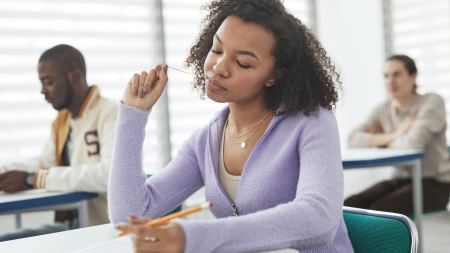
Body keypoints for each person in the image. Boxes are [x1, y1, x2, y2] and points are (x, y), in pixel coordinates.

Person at [108, 1, 353, 252]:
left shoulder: (312, 122)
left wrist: (196, 237)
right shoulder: (204, 142)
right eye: (216, 49)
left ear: (274, 75)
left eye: (243, 63)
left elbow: (319, 219)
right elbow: (129, 217)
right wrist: (133, 115)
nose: (219, 67)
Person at [0, 44, 117, 229]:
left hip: (104, 225)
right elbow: (45, 162)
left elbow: (110, 174)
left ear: (74, 75)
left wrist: (33, 179)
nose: (43, 90)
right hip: (74, 222)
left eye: (48, 82)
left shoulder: (110, 112)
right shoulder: (62, 122)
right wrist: (5, 171)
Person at [346, 54, 450, 215]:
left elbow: (412, 144)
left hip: (435, 184)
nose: (390, 81)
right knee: (351, 204)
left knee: (381, 211)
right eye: (386, 76)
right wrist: (397, 134)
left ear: (413, 77)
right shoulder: (383, 109)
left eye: (397, 74)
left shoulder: (432, 102)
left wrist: (378, 141)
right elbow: (352, 140)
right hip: (400, 179)